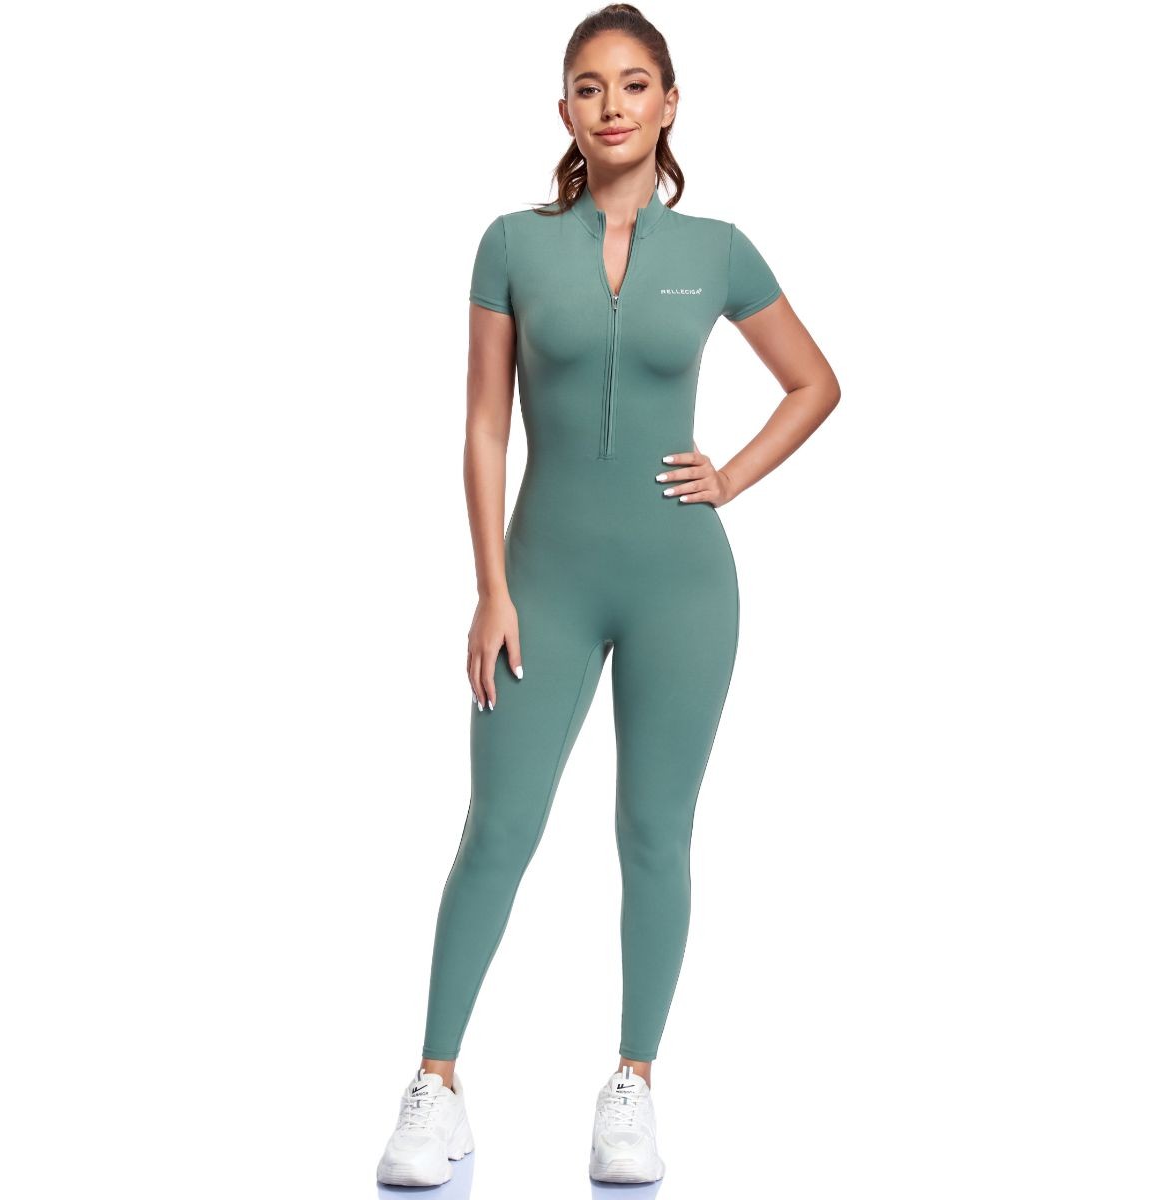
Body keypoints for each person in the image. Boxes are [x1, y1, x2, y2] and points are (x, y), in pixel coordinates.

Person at [376, 4, 840, 1187]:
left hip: (685, 587)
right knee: (499, 828)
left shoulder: (720, 250)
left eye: (636, 84)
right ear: (566, 110)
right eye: (590, 86)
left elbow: (815, 383)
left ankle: (632, 1084)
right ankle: (435, 1086)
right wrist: (490, 586)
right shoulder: (511, 245)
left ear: (670, 104)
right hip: (542, 582)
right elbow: (485, 427)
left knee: (654, 835)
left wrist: (731, 474)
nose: (614, 104)